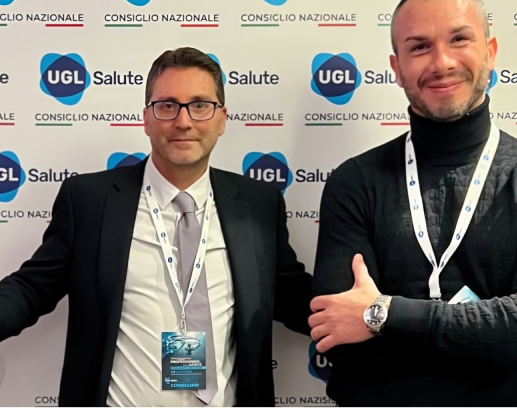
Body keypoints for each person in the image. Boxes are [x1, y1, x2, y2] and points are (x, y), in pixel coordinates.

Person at [310, 0, 517, 407]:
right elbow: (342, 339)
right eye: (419, 46)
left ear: (490, 52)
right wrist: (487, 338)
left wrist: (384, 314)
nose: (442, 62)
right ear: (396, 67)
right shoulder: (354, 182)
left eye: (459, 39)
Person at [0, 47, 312, 407]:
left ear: (222, 119)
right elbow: (33, 288)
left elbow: (290, 294)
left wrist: (362, 315)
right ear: (146, 119)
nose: (184, 121)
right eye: (167, 106)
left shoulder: (259, 204)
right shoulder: (90, 201)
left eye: (200, 105)